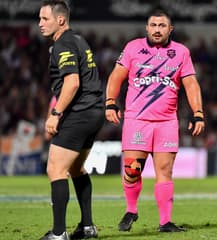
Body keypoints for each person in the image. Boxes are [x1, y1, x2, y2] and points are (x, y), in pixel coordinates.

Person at [105, 9, 205, 232]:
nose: (157, 29)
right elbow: (116, 76)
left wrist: (198, 113)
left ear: (170, 29)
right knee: (132, 170)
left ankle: (165, 222)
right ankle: (131, 210)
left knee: (164, 172)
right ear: (147, 28)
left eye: (162, 26)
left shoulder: (181, 52)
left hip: (167, 123)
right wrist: (110, 102)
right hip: (137, 120)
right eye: (153, 25)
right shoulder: (133, 48)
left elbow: (191, 85)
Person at [38, 1, 104, 239]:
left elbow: (73, 82)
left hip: (81, 112)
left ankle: (58, 233)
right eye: (40, 18)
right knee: (76, 168)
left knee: (56, 168)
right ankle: (87, 227)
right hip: (94, 111)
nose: (40, 24)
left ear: (61, 20)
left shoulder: (63, 44)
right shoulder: (77, 39)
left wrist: (56, 113)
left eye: (45, 19)